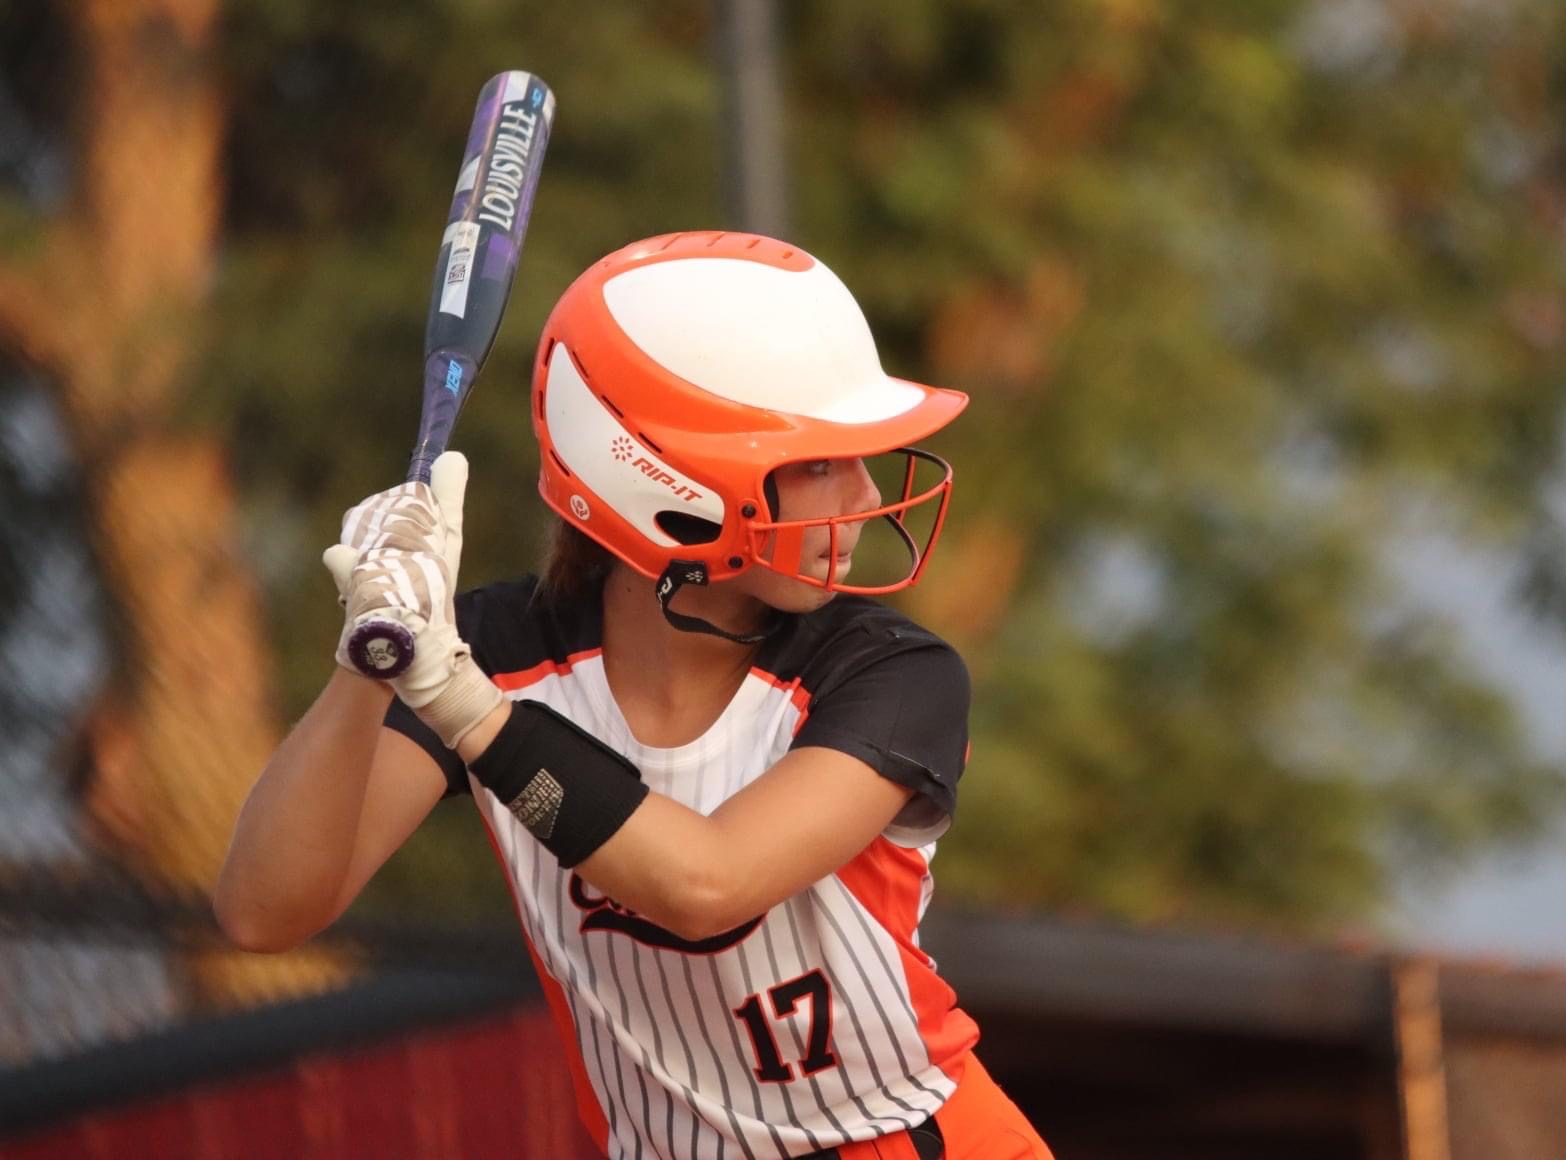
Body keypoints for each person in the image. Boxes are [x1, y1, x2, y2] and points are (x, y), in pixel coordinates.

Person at [216, 231, 1055, 1160]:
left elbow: (708, 885)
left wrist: (462, 703)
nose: (861, 494)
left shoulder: (891, 670)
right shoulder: (497, 650)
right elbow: (266, 911)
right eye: (817, 460)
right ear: (668, 482)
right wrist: (366, 661)